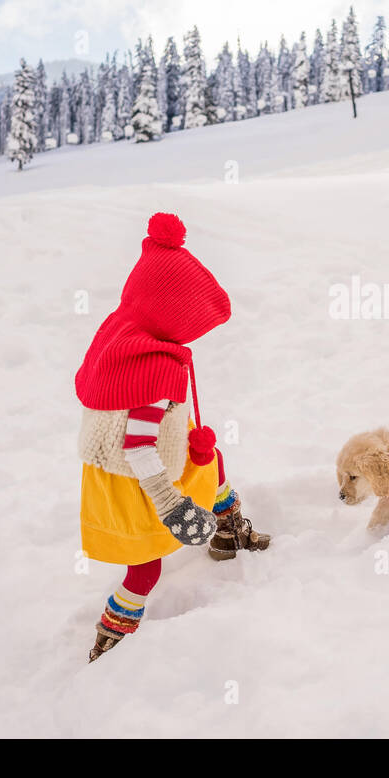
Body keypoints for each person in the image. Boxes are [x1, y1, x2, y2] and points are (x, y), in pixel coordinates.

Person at [74, 212, 270, 662]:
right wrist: (171, 503)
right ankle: (113, 634)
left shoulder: (119, 334)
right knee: (144, 568)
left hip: (108, 471)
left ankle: (227, 530)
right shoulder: (158, 369)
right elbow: (138, 447)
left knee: (211, 459)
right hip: (139, 482)